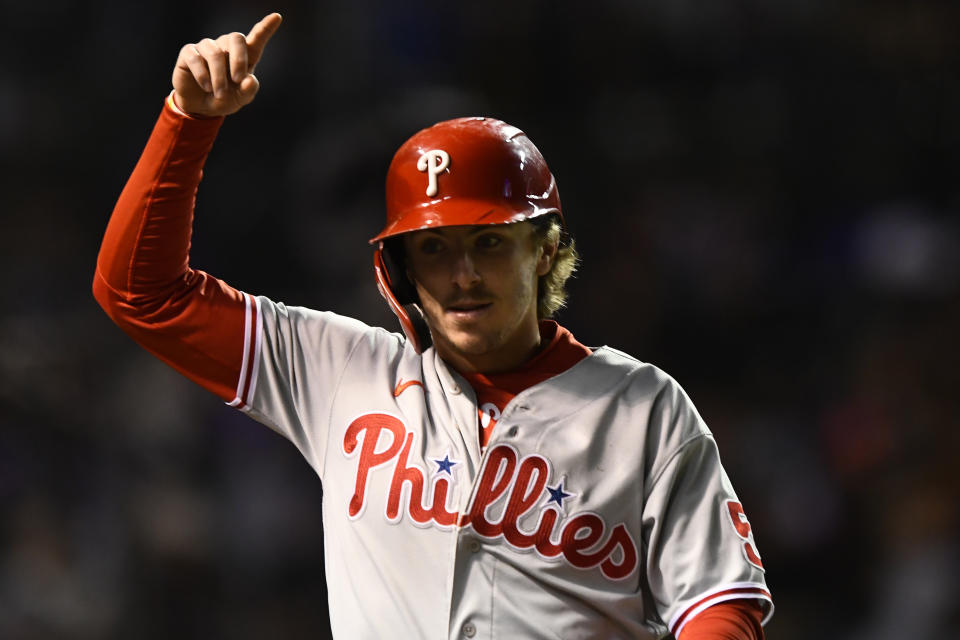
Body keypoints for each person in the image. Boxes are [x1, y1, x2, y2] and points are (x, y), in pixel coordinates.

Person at [93, 13, 773, 639]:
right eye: (435, 248)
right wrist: (187, 121)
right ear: (401, 267)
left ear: (544, 251)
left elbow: (718, 603)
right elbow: (139, 292)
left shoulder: (641, 408)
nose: (462, 275)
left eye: (488, 242)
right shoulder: (341, 370)